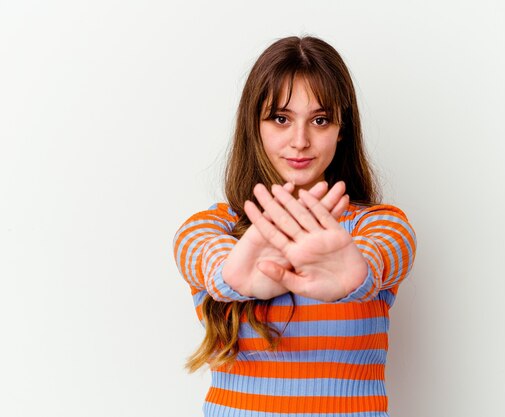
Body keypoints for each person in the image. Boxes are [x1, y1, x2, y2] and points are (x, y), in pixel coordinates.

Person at [173, 35, 417, 417]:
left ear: (342, 129)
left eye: (320, 120)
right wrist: (232, 274)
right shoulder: (212, 226)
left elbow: (382, 254)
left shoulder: (380, 226)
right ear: (255, 126)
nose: (300, 141)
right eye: (281, 118)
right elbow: (203, 255)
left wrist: (358, 275)